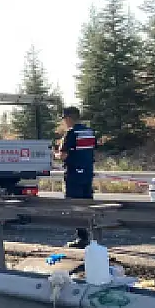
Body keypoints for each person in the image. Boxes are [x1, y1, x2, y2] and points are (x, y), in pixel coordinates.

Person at [56, 106, 96, 249]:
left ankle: (82, 238)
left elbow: (63, 155)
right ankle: (92, 236)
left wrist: (56, 154)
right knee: (87, 204)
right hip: (88, 173)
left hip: (74, 174)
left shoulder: (71, 133)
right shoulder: (89, 132)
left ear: (68, 118)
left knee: (75, 205)